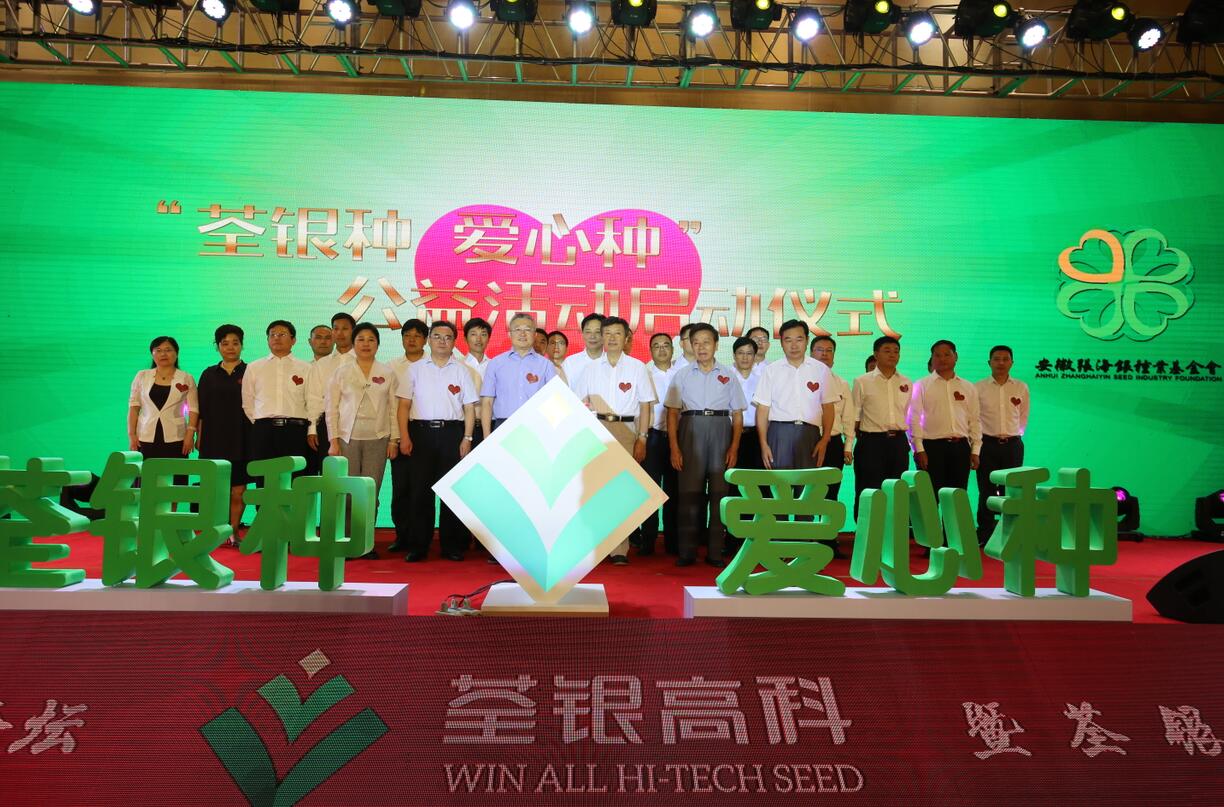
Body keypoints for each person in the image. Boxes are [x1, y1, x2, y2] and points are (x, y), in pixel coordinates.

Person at [574, 316, 655, 565]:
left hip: (626, 429)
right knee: (596, 490)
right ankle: (598, 545)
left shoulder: (637, 367)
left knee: (621, 491)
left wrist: (642, 437)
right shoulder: (590, 368)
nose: (611, 338)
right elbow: (578, 402)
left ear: (626, 338)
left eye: (617, 333)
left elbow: (645, 405)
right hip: (597, 428)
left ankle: (620, 549)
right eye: (607, 333)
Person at [397, 320, 478, 562]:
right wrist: (404, 436)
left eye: (448, 337)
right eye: (437, 336)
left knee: (451, 491)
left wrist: (467, 437)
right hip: (420, 433)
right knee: (420, 491)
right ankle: (418, 545)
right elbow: (403, 406)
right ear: (429, 340)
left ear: (454, 342)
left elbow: (469, 408)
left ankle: (451, 545)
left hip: (452, 433)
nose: (442, 341)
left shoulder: (462, 370)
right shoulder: (414, 369)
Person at [666, 323, 745, 567]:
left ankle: (715, 552)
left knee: (720, 496)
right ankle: (687, 552)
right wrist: (674, 447)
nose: (701, 347)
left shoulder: (729, 375)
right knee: (688, 495)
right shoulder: (681, 375)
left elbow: (738, 415)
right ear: (690, 345)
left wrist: (734, 447)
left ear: (716, 345)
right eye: (696, 342)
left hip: (721, 430)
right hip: (690, 430)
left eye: (706, 342)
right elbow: (672, 413)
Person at [326, 322, 399, 560]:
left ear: (378, 344)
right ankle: (348, 541)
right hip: (347, 438)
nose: (366, 344)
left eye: (371, 340)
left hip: (378, 438)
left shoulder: (387, 372)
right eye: (361, 339)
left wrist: (394, 440)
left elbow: (393, 409)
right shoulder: (342, 371)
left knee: (370, 492)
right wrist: (333, 440)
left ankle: (366, 543)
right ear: (353, 343)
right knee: (348, 491)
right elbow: (331, 408)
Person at [196, 324, 250, 541]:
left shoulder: (251, 371)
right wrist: (199, 436)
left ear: (242, 345)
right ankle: (217, 530)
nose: (230, 347)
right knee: (216, 489)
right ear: (217, 346)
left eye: (235, 343)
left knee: (239, 489)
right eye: (225, 343)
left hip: (242, 437)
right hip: (213, 438)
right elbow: (200, 409)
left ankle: (234, 531)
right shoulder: (208, 374)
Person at [850, 336, 912, 521]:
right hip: (871, 443)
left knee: (897, 490)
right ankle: (866, 532)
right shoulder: (862, 381)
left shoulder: (906, 382)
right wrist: (849, 446)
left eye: (896, 351)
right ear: (876, 354)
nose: (892, 355)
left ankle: (893, 532)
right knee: (868, 489)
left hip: (898, 442)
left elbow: (907, 414)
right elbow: (854, 416)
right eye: (887, 351)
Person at [910, 339, 981, 500]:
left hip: (961, 448)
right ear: (932, 358)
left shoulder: (968, 387)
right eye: (937, 355)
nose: (942, 359)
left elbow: (974, 420)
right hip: (932, 448)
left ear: (956, 357)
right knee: (930, 498)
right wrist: (919, 449)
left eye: (947, 355)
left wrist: (975, 450)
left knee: (957, 497)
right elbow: (913, 419)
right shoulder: (921, 385)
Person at [974, 345, 1029, 544]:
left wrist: (1015, 435)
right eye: (996, 359)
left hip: (1012, 445)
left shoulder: (1021, 387)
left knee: (1011, 490)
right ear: (989, 362)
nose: (1001, 363)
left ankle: (1010, 532)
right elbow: (974, 418)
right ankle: (985, 532)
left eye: (1005, 359)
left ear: (1012, 363)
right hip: (986, 444)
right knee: (986, 490)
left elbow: (1023, 416)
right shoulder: (978, 388)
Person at [129, 337, 199, 490]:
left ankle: (173, 506)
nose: (163, 354)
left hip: (176, 437)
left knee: (175, 480)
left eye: (168, 350)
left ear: (176, 353)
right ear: (152, 354)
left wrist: (190, 434)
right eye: (158, 350)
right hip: (146, 435)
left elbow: (193, 409)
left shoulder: (186, 377)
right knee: (146, 479)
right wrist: (132, 434)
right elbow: (134, 407)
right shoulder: (142, 376)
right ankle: (147, 505)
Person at [241, 320, 313, 470]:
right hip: (264, 430)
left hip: (295, 430)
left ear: (293, 340)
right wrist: (262, 423)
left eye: (282, 334)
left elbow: (311, 402)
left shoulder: (306, 367)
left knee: (294, 476)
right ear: (267, 339)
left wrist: (310, 430)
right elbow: (248, 401)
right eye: (272, 335)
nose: (276, 338)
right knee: (263, 475)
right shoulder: (254, 367)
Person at [386, 318, 428, 553]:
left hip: (425, 431)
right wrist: (395, 438)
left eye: (417, 336)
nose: (411, 340)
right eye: (407, 335)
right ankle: (402, 535)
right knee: (400, 487)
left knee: (421, 488)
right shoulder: (391, 366)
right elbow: (391, 405)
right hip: (399, 429)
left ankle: (420, 538)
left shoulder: (434, 364)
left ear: (425, 340)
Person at [480, 312, 558, 434]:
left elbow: (553, 401)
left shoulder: (546, 365)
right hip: (503, 426)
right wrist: (486, 436)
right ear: (510, 334)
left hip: (536, 426)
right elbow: (487, 402)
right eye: (517, 329)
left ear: (535, 334)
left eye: (527, 329)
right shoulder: (495, 363)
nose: (522, 334)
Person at [640, 332, 681, 556]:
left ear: (673, 350)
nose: (662, 349)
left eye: (666, 345)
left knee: (674, 491)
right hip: (652, 437)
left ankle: (672, 542)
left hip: (677, 439)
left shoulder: (682, 373)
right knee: (650, 491)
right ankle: (648, 540)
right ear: (650, 351)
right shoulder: (644, 374)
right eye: (656, 346)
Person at [810, 335, 855, 505]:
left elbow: (848, 418)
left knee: (830, 493)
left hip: (833, 443)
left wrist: (848, 446)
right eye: (820, 350)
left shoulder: (842, 384)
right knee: (806, 491)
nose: (824, 354)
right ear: (811, 353)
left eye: (829, 350)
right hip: (808, 440)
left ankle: (827, 523)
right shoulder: (799, 381)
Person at [731, 336, 763, 471]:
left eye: (749, 353)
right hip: (730, 434)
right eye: (741, 353)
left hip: (755, 435)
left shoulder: (762, 380)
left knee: (756, 476)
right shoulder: (725, 378)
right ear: (734, 355)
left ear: (755, 356)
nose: (745, 357)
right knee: (732, 475)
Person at [562, 313, 605, 390]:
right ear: (582, 334)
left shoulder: (614, 362)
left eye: (597, 332)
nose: (592, 336)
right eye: (588, 332)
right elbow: (562, 391)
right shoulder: (570, 362)